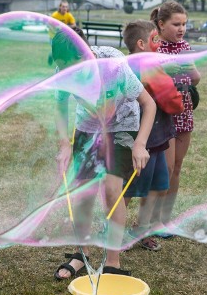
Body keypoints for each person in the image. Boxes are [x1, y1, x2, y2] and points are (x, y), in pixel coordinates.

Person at [52, 31, 156, 280]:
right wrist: (65, 143)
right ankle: (81, 254)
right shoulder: (63, 71)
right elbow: (60, 105)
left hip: (122, 125)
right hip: (88, 127)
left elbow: (149, 104)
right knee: (83, 192)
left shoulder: (114, 65)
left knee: (111, 190)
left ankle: (112, 262)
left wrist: (140, 144)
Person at [122, 20, 184, 251]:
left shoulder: (126, 65)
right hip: (146, 139)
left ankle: (140, 230)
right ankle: (117, 231)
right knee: (131, 187)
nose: (159, 43)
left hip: (152, 138)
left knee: (156, 184)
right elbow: (174, 102)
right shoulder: (148, 66)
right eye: (155, 39)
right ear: (141, 43)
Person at [151, 0, 201, 235]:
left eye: (184, 24)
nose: (181, 29)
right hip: (164, 114)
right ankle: (153, 220)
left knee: (178, 167)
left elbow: (196, 79)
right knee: (166, 168)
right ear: (161, 24)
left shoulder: (185, 46)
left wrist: (190, 67)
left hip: (184, 111)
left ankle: (166, 219)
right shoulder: (154, 48)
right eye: (176, 24)